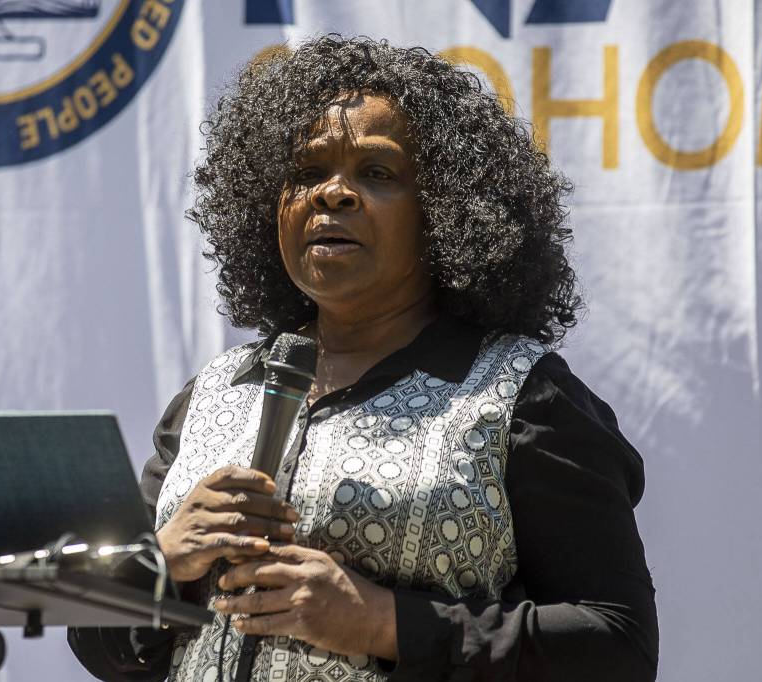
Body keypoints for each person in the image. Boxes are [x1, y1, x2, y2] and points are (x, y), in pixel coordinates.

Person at [69, 35, 658, 682]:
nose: (333, 194)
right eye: (306, 172)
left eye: (376, 173)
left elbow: (616, 646)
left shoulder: (521, 396)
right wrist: (163, 565)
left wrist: (384, 622)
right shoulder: (213, 391)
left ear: (443, 209)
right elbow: (96, 641)